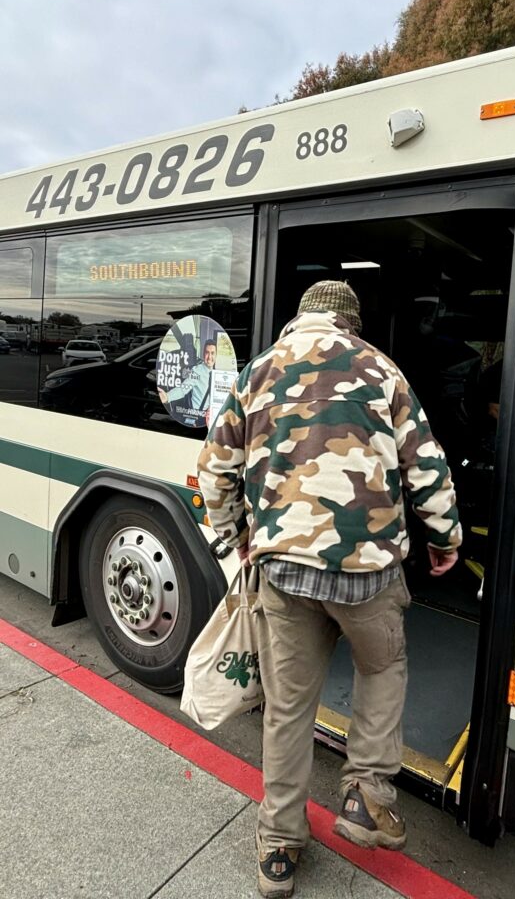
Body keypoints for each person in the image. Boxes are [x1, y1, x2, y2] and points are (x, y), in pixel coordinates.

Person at [197, 281, 461, 898]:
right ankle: (366, 792)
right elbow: (428, 466)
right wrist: (444, 538)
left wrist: (237, 534)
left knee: (288, 708)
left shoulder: (260, 369)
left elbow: (215, 469)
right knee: (383, 667)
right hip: (368, 572)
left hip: (284, 573)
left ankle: (278, 846)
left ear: (302, 320)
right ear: (350, 322)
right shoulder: (381, 369)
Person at [159, 339, 216, 426]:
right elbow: (183, 388)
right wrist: (167, 396)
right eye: (207, 352)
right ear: (203, 354)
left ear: (216, 355)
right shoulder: (197, 371)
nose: (209, 357)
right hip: (197, 416)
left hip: (211, 417)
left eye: (212, 353)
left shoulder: (217, 373)